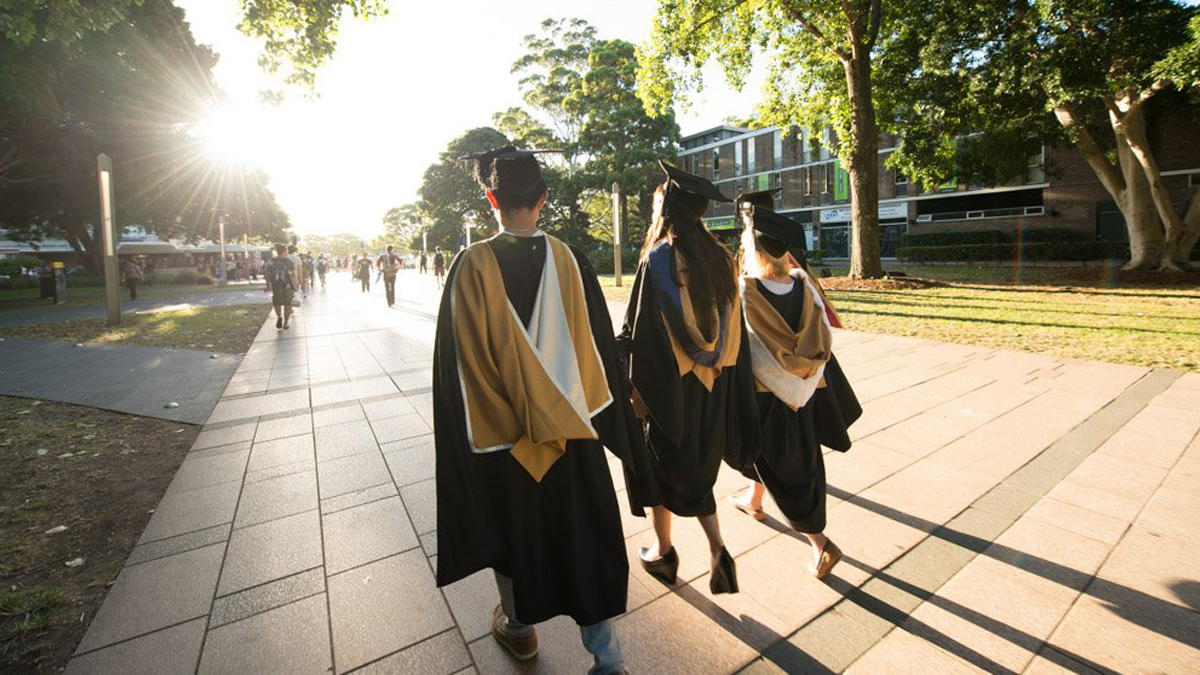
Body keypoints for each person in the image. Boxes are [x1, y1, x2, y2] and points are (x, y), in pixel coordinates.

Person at [434, 146, 654, 674]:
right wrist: (618, 434)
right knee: (585, 536)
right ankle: (607, 660)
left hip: (507, 446)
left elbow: (458, 371)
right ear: (544, 199)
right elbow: (599, 351)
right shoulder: (571, 260)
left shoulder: (468, 267)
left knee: (513, 537)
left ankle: (519, 629)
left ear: (490, 199)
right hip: (574, 435)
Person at [618, 160, 759, 595]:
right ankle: (718, 549)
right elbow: (734, 329)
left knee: (659, 469)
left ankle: (664, 553)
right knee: (698, 471)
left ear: (669, 207)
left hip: (671, 388)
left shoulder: (659, 259)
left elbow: (637, 332)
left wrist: (622, 370)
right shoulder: (720, 257)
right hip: (713, 385)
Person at [728, 191, 862, 579]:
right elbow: (821, 338)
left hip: (767, 396)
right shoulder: (803, 287)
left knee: (784, 470)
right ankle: (754, 500)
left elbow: (741, 346)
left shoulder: (746, 291)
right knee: (792, 458)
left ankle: (821, 543)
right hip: (804, 394)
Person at [268, 244, 299, 329]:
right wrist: (296, 285)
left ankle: (279, 317)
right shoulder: (289, 262)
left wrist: (268, 284)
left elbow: (268, 273)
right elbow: (293, 274)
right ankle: (286, 323)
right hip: (287, 286)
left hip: (276, 285)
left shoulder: (271, 261)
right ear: (284, 252)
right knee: (287, 304)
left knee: (277, 303)